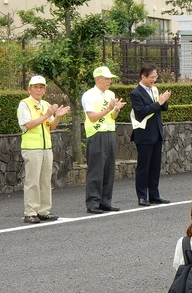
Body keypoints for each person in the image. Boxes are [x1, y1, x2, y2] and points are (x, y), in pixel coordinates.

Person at [17, 75, 70, 223]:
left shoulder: (45, 104)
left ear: (45, 89)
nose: (39, 90)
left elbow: (51, 126)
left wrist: (57, 116)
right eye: (36, 87)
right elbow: (28, 124)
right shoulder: (24, 104)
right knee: (32, 180)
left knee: (45, 180)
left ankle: (43, 210)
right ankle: (30, 212)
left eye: (42, 87)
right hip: (32, 147)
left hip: (46, 147)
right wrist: (47, 114)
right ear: (30, 88)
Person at [82, 66, 125, 214]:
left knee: (108, 169)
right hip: (96, 134)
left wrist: (116, 109)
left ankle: (105, 202)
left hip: (109, 133)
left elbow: (112, 117)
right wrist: (108, 109)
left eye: (110, 78)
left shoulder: (110, 94)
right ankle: (93, 203)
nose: (109, 81)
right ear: (98, 79)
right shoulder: (88, 95)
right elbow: (92, 117)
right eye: (106, 78)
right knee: (96, 170)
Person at [130, 63, 171, 206]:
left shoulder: (154, 90)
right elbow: (141, 111)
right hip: (144, 134)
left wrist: (164, 101)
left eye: (155, 76)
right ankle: (142, 196)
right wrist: (158, 103)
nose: (154, 79)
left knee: (155, 166)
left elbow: (161, 108)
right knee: (144, 167)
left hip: (156, 132)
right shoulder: (136, 93)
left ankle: (154, 194)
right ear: (143, 77)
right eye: (152, 77)